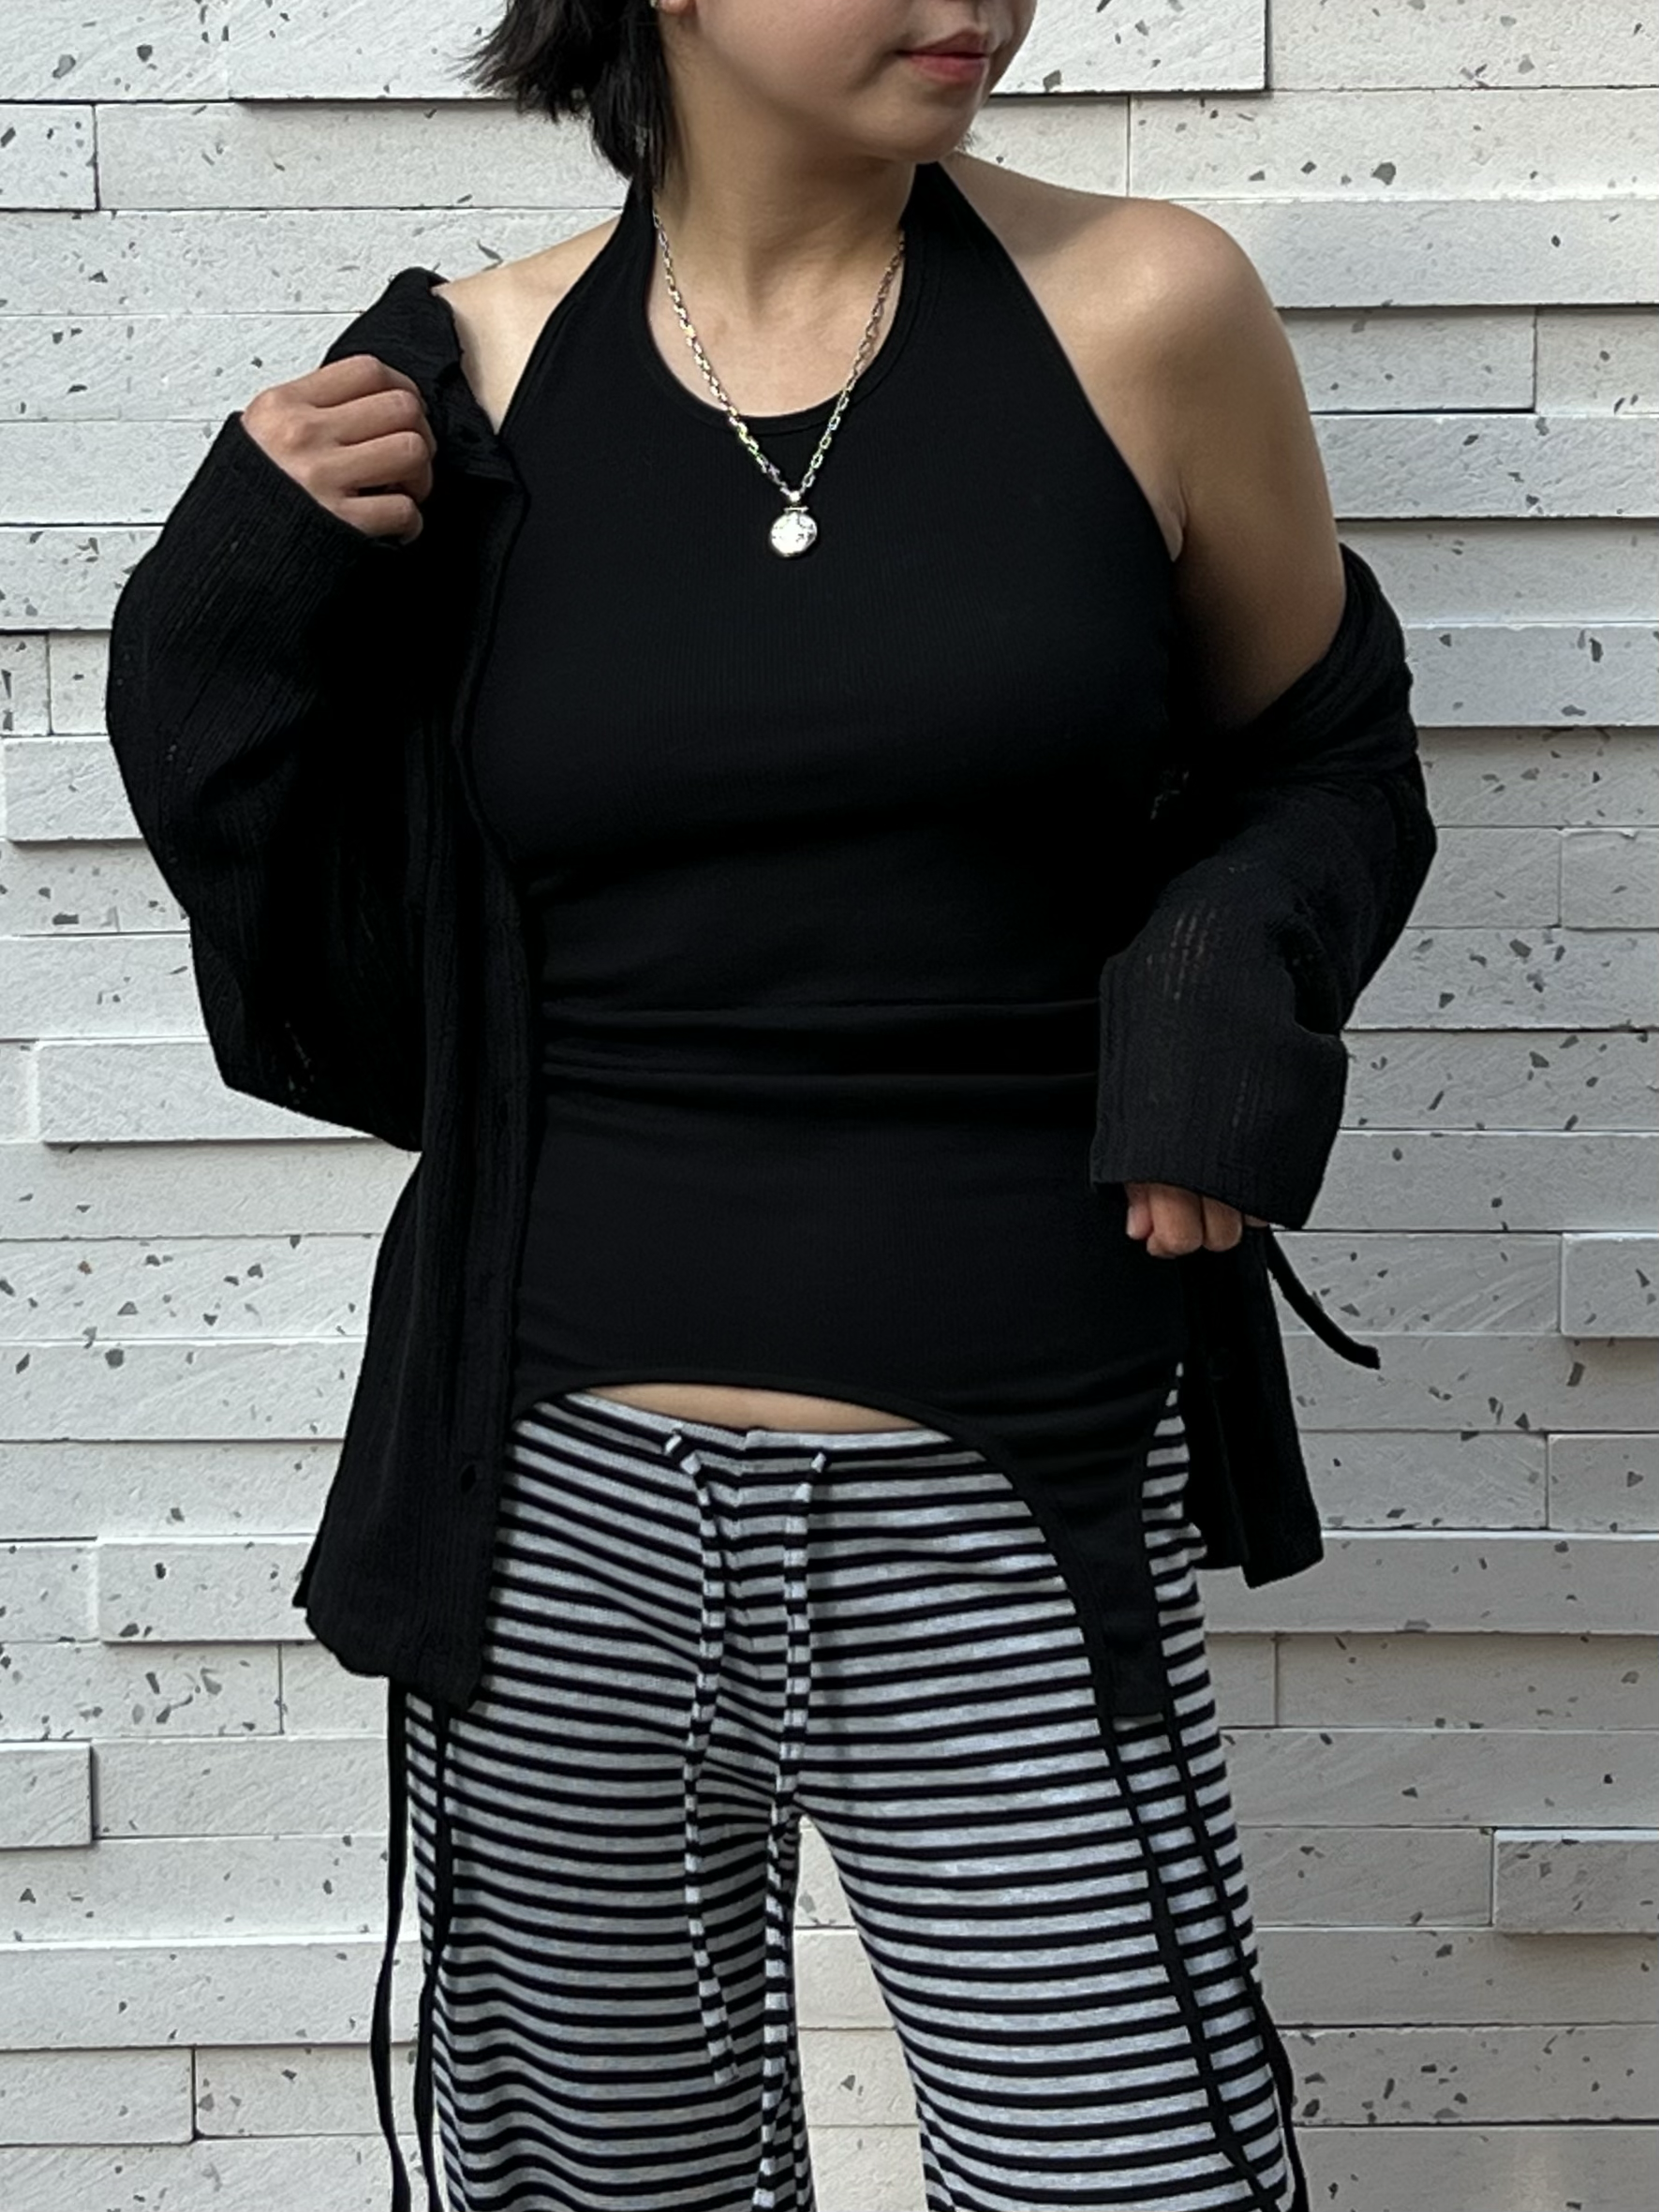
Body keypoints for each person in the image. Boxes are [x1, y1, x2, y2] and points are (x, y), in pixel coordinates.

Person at [103, 4, 1439, 2208]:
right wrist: (219, 608)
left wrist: (1219, 980)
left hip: (1011, 1489)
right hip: (545, 1515)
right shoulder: (461, 376)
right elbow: (355, 995)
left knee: (1131, 2171)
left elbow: (1327, 762)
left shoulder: (1148, 308)